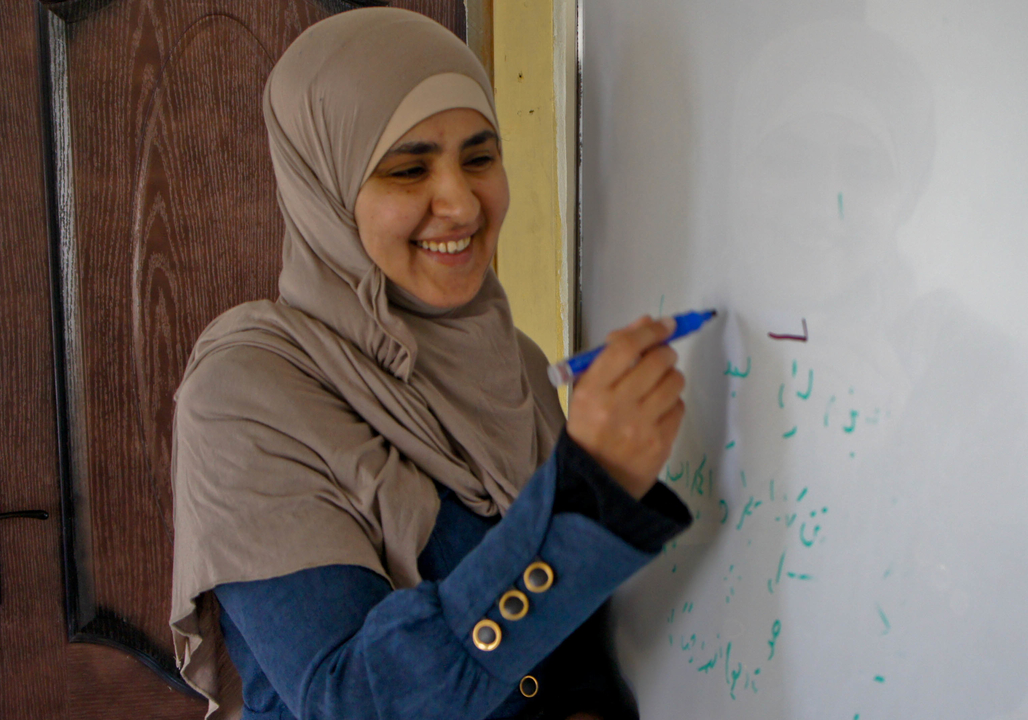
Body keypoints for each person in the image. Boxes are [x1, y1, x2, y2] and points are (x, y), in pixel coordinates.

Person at [169, 8, 694, 720]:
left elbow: (565, 647)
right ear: (324, 188)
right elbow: (352, 702)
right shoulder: (246, 392)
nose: (460, 202)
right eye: (408, 169)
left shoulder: (515, 364)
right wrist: (584, 494)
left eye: (479, 158)